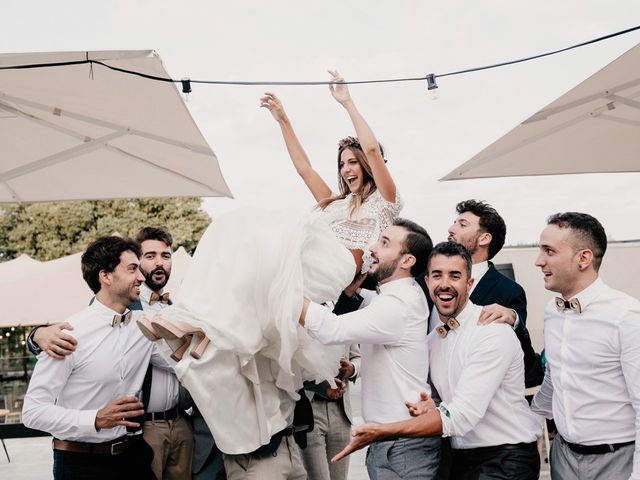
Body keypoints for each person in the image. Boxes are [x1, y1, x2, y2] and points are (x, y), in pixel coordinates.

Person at [142, 70, 403, 461]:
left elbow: (373, 149)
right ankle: (193, 327)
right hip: (308, 265)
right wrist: (283, 120)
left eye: (355, 161)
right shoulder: (332, 205)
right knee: (235, 240)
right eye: (343, 163)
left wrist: (347, 103)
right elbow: (303, 169)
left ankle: (198, 330)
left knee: (259, 248)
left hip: (329, 271)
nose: (349, 168)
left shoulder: (386, 202)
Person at [332, 241, 541, 479]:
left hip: (506, 458)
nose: (444, 284)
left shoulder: (491, 332)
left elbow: (461, 417)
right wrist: (434, 405)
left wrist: (382, 431)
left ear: (469, 283)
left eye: (454, 276)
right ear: (427, 282)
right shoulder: (433, 340)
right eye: (437, 275)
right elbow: (449, 402)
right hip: (462, 459)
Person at [29, 227, 203, 480]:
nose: (141, 277)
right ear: (106, 276)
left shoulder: (144, 325)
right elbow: (33, 412)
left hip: (132, 457)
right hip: (80, 464)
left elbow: (183, 359)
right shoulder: (69, 334)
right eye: (132, 269)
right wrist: (96, 419)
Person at [299, 218, 440, 480]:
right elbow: (361, 306)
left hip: (402, 444)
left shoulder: (398, 303)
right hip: (392, 438)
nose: (373, 247)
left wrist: (288, 293)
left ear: (407, 261)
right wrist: (352, 291)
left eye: (384, 243)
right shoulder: (397, 295)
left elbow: (332, 329)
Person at [531, 212, 640, 480]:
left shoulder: (626, 318)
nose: (538, 261)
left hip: (618, 462)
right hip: (563, 458)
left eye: (549, 251)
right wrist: (528, 419)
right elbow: (555, 378)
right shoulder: (552, 311)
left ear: (583, 258)